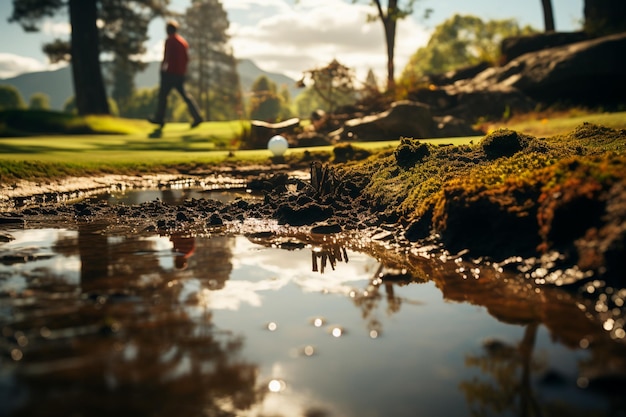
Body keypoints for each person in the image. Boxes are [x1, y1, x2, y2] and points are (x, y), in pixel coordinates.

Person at [149, 20, 203, 129]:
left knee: (163, 96)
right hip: (180, 74)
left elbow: (166, 57)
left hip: (170, 74)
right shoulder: (182, 42)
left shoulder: (170, 41)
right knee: (185, 96)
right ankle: (197, 117)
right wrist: (183, 71)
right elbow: (187, 59)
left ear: (168, 30)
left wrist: (162, 70)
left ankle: (160, 118)